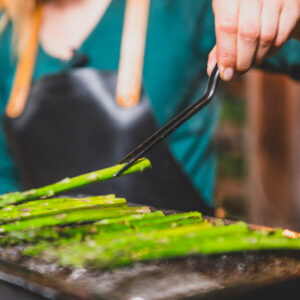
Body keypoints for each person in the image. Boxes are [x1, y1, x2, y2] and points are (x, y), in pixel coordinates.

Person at [0, 0, 299, 213]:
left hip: (185, 273)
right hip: (48, 275)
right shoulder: (6, 35)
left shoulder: (181, 7)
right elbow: (5, 176)